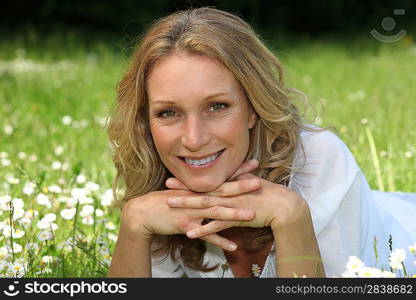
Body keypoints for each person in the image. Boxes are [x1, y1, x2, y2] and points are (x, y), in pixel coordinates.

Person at [107, 7, 416, 278]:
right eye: (169, 112)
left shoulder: (320, 162)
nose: (194, 139)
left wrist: (292, 217)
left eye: (217, 106)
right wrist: (134, 227)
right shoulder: (158, 181)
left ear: (253, 108)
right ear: (147, 121)